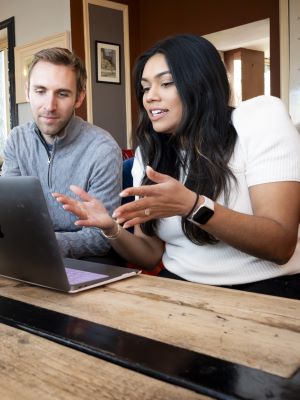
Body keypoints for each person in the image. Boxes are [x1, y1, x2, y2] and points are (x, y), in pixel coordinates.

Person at [53, 35, 300, 298]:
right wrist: (110, 229)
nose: (150, 97)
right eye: (145, 88)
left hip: (267, 290)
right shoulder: (150, 152)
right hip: (177, 287)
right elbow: (149, 255)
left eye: (167, 83)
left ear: (202, 83)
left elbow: (279, 244)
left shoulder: (259, 118)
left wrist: (194, 207)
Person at [2, 47, 122, 259]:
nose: (50, 106)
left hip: (85, 259)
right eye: (40, 91)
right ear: (28, 91)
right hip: (28, 253)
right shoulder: (17, 140)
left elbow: (101, 237)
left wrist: (49, 245)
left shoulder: (103, 149)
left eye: (63, 93)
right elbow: (11, 214)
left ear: (79, 97)